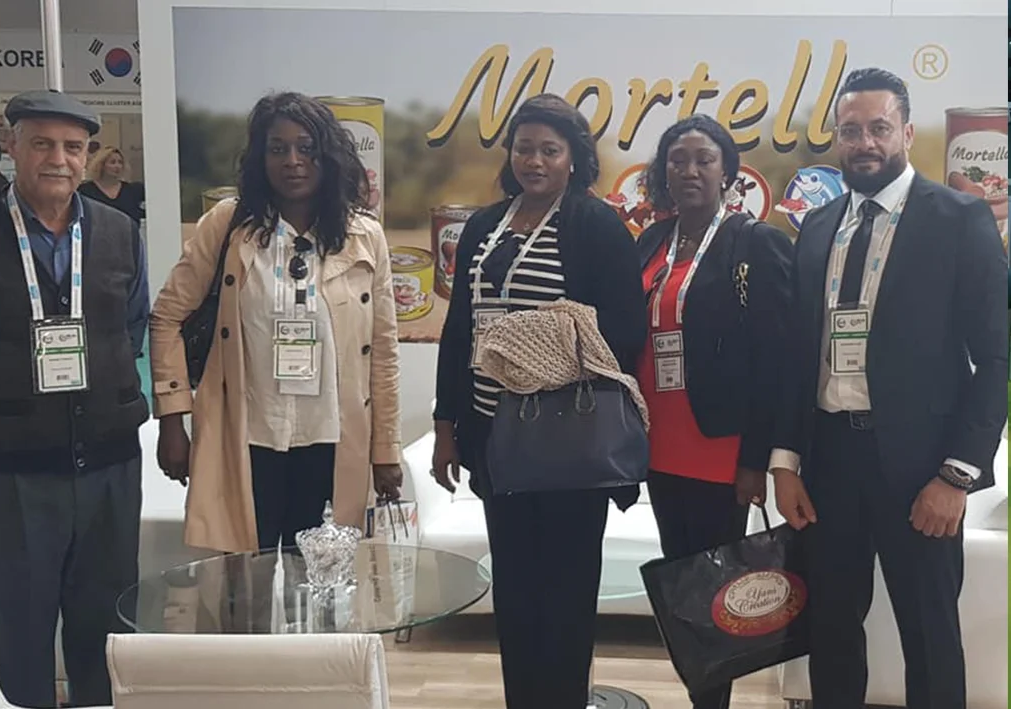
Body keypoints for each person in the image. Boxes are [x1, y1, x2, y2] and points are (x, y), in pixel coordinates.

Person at [0, 89, 150, 708]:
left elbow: (131, 327)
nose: (58, 159)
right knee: (16, 632)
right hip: (9, 475)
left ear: (88, 155)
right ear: (13, 146)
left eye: (73, 147)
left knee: (107, 630)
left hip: (109, 468)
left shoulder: (120, 233)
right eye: (42, 143)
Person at [770, 68, 1007, 709]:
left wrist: (957, 476)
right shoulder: (818, 227)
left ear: (905, 132)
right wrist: (785, 462)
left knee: (929, 634)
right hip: (830, 462)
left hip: (922, 469)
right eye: (851, 131)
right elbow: (798, 355)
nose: (865, 142)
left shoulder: (959, 219)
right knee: (831, 630)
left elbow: (994, 358)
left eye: (879, 128)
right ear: (837, 139)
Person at [431, 93, 646, 709]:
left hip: (564, 439)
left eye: (550, 150)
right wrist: (446, 424)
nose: (535, 160)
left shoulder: (595, 225)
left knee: (567, 592)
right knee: (516, 589)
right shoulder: (483, 226)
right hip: (492, 436)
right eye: (524, 148)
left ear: (574, 158)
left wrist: (534, 340)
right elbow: (459, 328)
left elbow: (625, 330)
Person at [149, 91, 403, 556]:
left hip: (332, 439)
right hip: (248, 436)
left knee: (321, 578)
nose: (293, 161)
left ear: (328, 156)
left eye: (307, 148)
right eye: (277, 148)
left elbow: (383, 351)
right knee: (243, 577)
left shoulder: (365, 236)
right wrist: (171, 418)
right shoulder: (227, 226)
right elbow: (167, 316)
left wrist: (386, 449)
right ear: (259, 157)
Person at [635, 114, 793, 709]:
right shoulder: (651, 242)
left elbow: (775, 360)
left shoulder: (754, 243)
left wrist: (756, 459)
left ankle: (712, 703)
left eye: (704, 159)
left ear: (728, 171)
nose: (690, 171)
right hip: (659, 443)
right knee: (683, 590)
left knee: (715, 596)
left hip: (720, 449)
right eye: (677, 160)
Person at [78, 146, 146, 223]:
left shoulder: (134, 190)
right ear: (101, 165)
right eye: (112, 162)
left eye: (120, 162)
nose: (117, 166)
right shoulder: (85, 191)